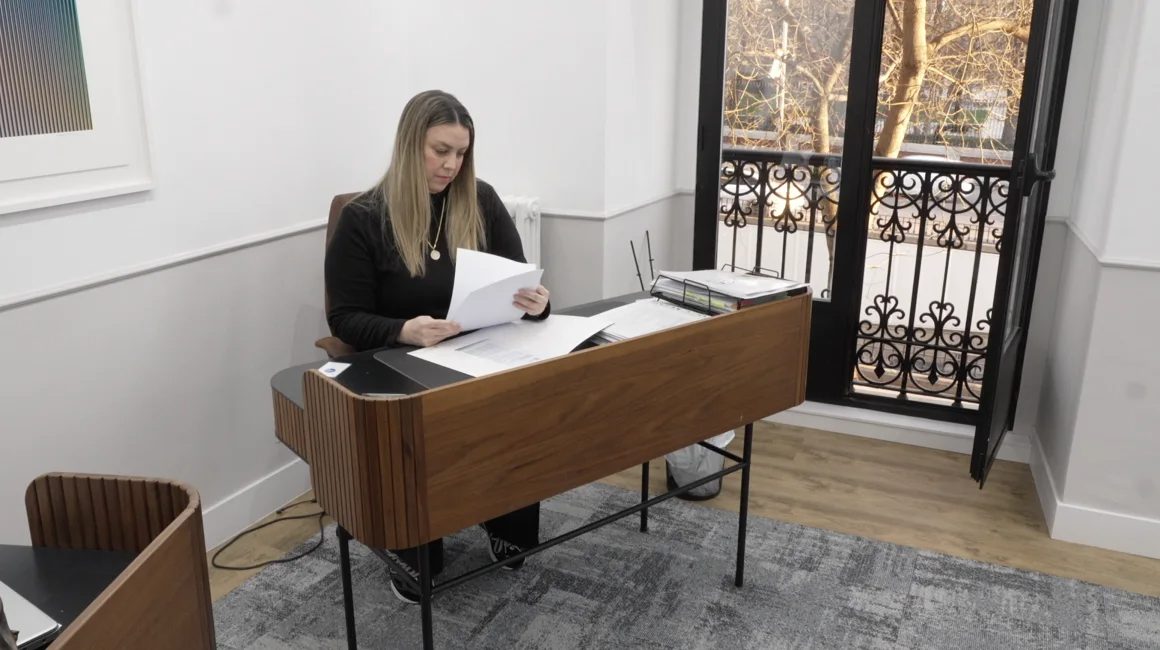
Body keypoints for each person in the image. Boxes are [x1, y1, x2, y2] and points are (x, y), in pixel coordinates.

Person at [324, 89, 549, 604]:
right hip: (401, 363)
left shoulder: (481, 200)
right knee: (416, 450)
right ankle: (413, 546)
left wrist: (537, 302)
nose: (452, 165)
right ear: (410, 146)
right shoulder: (364, 218)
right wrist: (405, 330)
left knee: (521, 403)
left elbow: (518, 279)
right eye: (440, 151)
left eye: (461, 153)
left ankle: (503, 521)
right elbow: (344, 318)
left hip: (477, 352)